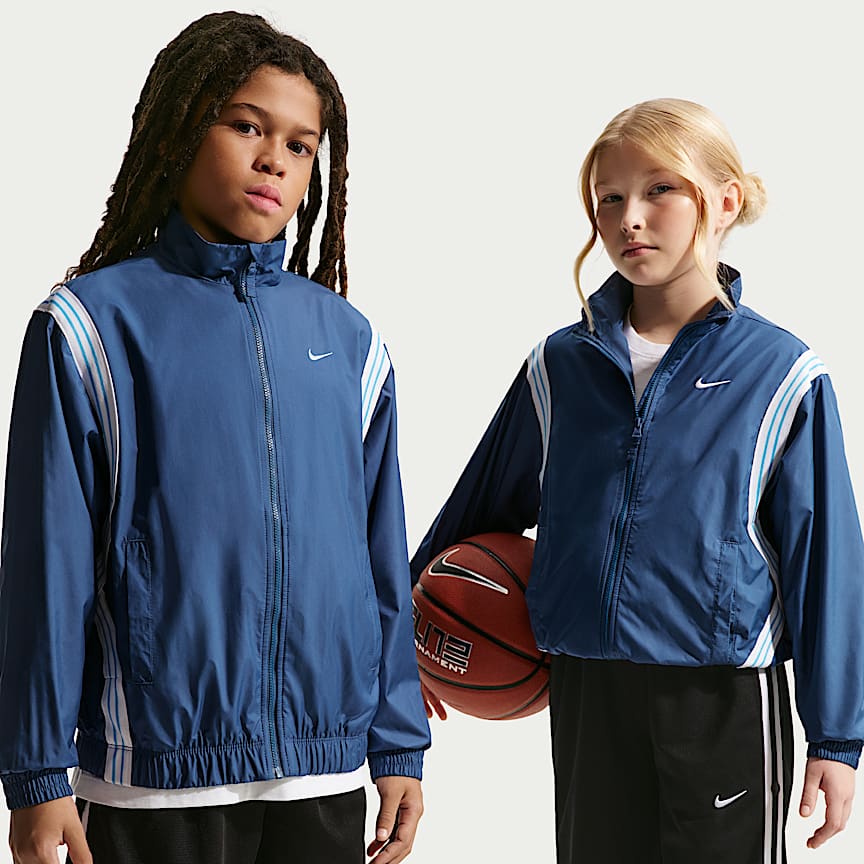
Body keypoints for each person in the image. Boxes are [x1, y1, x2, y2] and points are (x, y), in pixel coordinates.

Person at [0, 11, 430, 864]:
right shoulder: (90, 328)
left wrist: (397, 742)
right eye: (246, 126)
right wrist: (38, 771)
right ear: (180, 127)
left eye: (301, 145)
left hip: (322, 774)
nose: (276, 160)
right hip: (153, 778)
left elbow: (379, 561)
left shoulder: (350, 342)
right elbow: (46, 564)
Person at [410, 98, 864, 863]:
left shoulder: (781, 373)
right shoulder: (561, 366)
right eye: (610, 198)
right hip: (587, 690)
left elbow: (827, 562)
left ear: (724, 202)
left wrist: (837, 736)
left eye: (660, 190)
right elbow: (475, 507)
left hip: (718, 695)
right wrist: (409, 633)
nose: (631, 218)